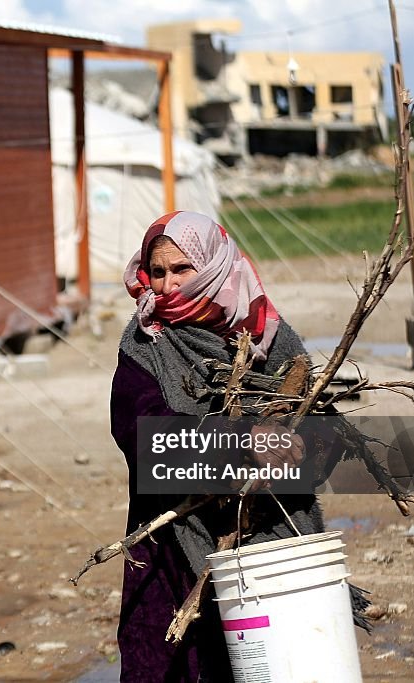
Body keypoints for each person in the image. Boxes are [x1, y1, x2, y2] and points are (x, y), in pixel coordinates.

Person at [110, 211, 339, 681]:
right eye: (158, 272)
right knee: (181, 665)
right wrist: (238, 442)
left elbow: (321, 435)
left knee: (276, 663)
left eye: (182, 269)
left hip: (265, 539)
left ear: (214, 265)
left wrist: (296, 445)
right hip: (174, 541)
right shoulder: (144, 343)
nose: (168, 285)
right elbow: (141, 433)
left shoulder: (268, 335)